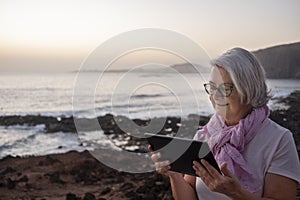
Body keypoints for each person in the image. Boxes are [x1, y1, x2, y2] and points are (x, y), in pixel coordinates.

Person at [150, 47, 300, 200]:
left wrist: (236, 193)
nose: (215, 96)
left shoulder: (279, 140)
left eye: (226, 88)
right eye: (212, 87)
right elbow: (190, 195)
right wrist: (174, 175)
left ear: (249, 89)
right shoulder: (203, 136)